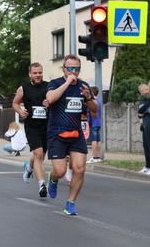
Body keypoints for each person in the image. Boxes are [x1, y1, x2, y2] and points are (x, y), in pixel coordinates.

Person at [46, 54, 97, 215]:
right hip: (57, 133)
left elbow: (95, 110)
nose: (74, 71)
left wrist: (88, 97)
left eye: (77, 68)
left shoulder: (84, 86)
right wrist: (67, 82)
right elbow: (51, 98)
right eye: (70, 68)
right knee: (60, 171)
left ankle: (70, 202)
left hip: (76, 134)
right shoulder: (55, 83)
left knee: (79, 169)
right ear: (64, 69)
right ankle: (53, 178)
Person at [13, 62, 49, 198]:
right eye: (35, 73)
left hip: (46, 125)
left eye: (40, 72)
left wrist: (49, 103)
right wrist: (20, 111)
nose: (38, 75)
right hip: (32, 126)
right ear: (30, 74)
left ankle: (29, 167)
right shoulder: (23, 88)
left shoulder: (48, 86)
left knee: (40, 155)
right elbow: (15, 103)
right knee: (38, 153)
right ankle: (42, 185)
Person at [87, 86, 102, 163]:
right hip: (98, 122)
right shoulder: (99, 100)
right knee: (98, 141)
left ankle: (94, 157)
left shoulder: (92, 100)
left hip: (93, 123)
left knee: (93, 140)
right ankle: (98, 157)